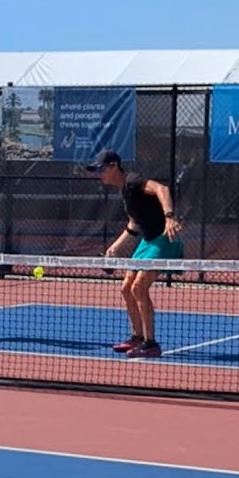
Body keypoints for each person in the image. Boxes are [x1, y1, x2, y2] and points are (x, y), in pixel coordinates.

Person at [87, 149, 183, 358]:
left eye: (102, 169)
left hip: (164, 239)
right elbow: (134, 224)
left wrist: (169, 216)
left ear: (114, 166)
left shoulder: (132, 181)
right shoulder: (124, 191)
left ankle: (151, 344)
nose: (99, 173)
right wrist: (116, 246)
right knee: (126, 288)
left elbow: (162, 189)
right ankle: (137, 337)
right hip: (147, 240)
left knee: (139, 287)